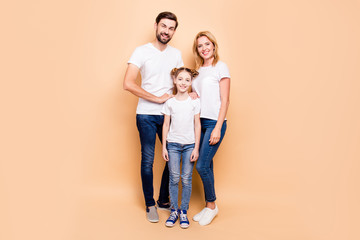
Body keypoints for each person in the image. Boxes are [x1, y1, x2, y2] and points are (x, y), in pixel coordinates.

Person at [123, 11, 183, 223]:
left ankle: (164, 200)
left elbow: (180, 82)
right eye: (164, 26)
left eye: (171, 28)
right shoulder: (141, 51)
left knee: (173, 156)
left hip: (169, 115)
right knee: (147, 160)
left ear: (174, 31)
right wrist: (156, 99)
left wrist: (189, 92)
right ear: (156, 25)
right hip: (147, 115)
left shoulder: (176, 54)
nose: (166, 31)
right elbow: (128, 83)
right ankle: (150, 205)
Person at [190, 31, 231, 226]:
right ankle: (208, 206)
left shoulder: (220, 67)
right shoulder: (197, 71)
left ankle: (212, 206)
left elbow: (225, 100)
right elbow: (198, 94)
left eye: (207, 44)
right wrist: (192, 94)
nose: (204, 48)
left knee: (202, 165)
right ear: (197, 50)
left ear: (214, 46)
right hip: (200, 123)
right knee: (208, 165)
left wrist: (217, 128)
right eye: (200, 46)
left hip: (215, 123)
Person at [162, 67, 201, 228]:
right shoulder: (169, 102)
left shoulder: (195, 102)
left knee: (186, 179)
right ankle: (174, 210)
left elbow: (197, 125)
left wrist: (196, 148)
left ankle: (183, 211)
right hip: (172, 145)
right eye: (180, 79)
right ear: (174, 80)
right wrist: (164, 147)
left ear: (191, 82)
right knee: (174, 178)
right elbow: (165, 125)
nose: (183, 83)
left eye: (187, 80)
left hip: (189, 145)